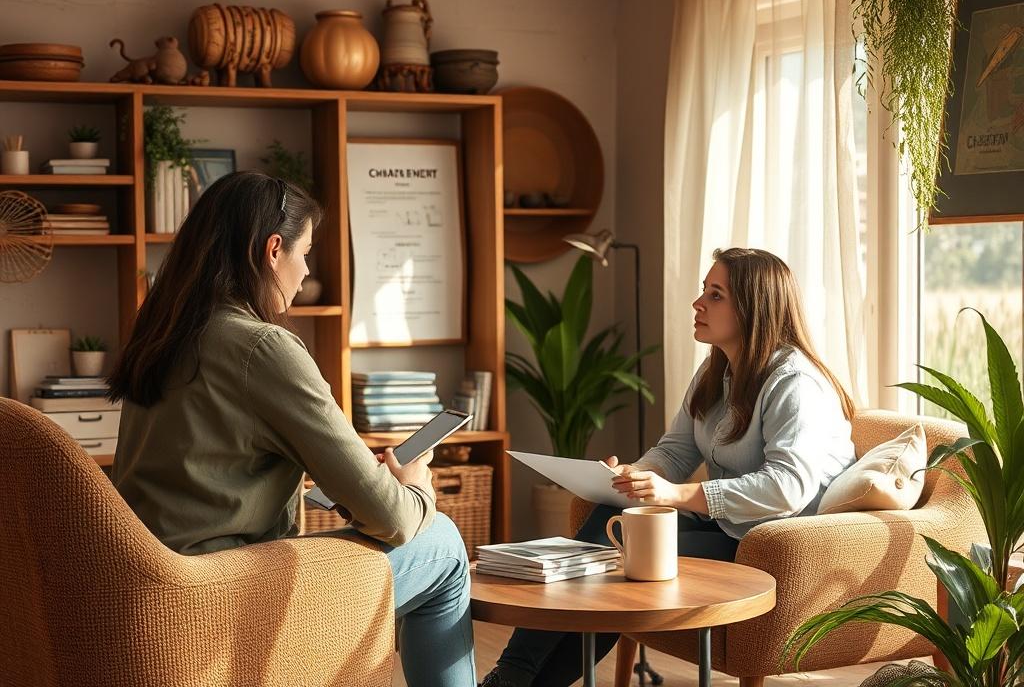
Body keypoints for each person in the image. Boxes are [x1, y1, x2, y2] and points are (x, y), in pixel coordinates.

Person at [109, 171, 476, 687]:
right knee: (441, 541)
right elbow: (392, 518)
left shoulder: (161, 335)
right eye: (305, 253)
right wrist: (415, 488)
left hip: (150, 591)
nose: (306, 272)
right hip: (228, 599)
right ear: (272, 250)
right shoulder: (263, 349)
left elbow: (204, 468)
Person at [480, 247, 856, 687]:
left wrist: (674, 494)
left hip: (773, 541)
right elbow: (675, 452)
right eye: (704, 290)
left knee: (620, 564)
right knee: (613, 520)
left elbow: (787, 487)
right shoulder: (716, 372)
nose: (698, 304)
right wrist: (634, 476)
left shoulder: (794, 382)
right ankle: (513, 677)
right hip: (730, 524)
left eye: (715, 295)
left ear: (754, 309)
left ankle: (512, 681)